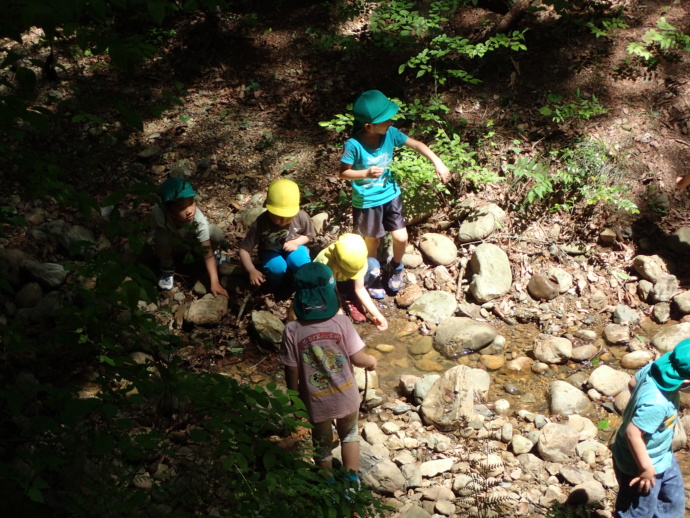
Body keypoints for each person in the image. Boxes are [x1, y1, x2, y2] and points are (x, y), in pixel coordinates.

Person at [339, 89, 451, 295]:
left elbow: (417, 144)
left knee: (400, 237)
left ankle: (395, 266)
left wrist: (438, 162)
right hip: (367, 201)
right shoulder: (353, 145)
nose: (390, 121)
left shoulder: (390, 133)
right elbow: (344, 173)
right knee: (372, 242)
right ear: (369, 126)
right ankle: (371, 276)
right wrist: (365, 172)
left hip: (390, 195)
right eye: (385, 120)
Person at [279, 262, 377, 483]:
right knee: (350, 435)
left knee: (321, 443)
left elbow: (291, 370)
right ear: (330, 293)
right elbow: (358, 358)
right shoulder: (341, 322)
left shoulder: (292, 330)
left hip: (315, 401)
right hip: (346, 396)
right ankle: (352, 483)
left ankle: (328, 484)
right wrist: (371, 361)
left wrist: (295, 400)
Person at [610, 339, 690, 518]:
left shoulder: (655, 368)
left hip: (662, 455)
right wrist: (645, 468)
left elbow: (632, 383)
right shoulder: (656, 403)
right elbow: (633, 433)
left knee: (673, 500)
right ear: (685, 382)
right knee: (639, 510)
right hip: (638, 466)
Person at [150, 177, 228, 298]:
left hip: (195, 245)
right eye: (182, 207)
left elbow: (207, 253)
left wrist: (214, 282)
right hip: (175, 246)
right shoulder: (158, 215)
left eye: (191, 202)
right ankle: (167, 268)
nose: (190, 211)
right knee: (160, 236)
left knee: (216, 232)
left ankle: (214, 254)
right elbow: (150, 231)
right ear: (168, 209)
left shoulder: (198, 219)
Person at [239, 178, 315, 291]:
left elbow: (309, 235)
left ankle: (300, 282)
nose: (283, 221)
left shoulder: (301, 216)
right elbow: (244, 250)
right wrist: (251, 270)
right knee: (276, 268)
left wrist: (296, 242)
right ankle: (276, 285)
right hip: (271, 251)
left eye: (288, 217)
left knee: (301, 262)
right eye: (278, 217)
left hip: (295, 247)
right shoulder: (261, 222)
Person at [314, 233, 388, 330]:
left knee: (373, 264)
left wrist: (377, 315)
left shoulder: (356, 254)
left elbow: (360, 288)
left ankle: (352, 298)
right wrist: (341, 321)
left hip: (345, 278)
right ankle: (346, 299)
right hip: (329, 286)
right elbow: (332, 296)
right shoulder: (325, 265)